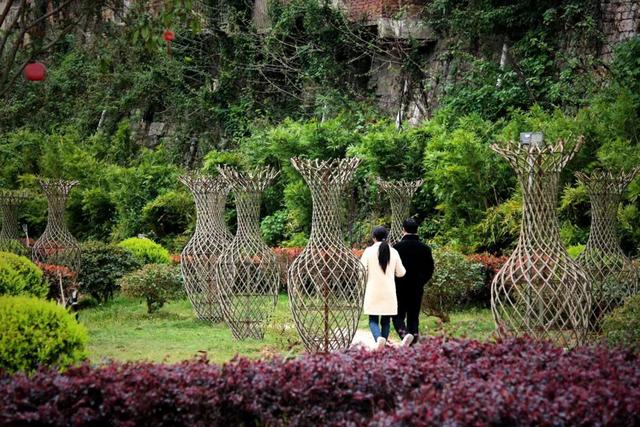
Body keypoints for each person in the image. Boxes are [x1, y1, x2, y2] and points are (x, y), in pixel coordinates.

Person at [360, 226, 407, 350]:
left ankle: (378, 339)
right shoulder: (394, 251)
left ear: (373, 237)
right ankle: (384, 343)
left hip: (373, 291)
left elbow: (361, 271)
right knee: (386, 321)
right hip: (389, 292)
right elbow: (401, 273)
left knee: (373, 319)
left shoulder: (368, 251)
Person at [392, 218, 434, 346]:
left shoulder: (397, 248)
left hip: (400, 287)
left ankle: (405, 335)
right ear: (417, 230)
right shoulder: (425, 248)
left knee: (397, 315)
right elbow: (430, 269)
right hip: (417, 287)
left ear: (403, 230)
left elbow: (392, 269)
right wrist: (421, 281)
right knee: (413, 317)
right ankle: (413, 343)